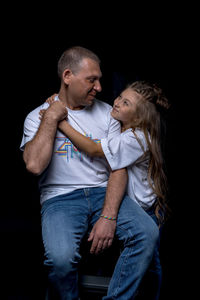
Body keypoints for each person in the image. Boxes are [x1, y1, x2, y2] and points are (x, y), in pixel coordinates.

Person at [20, 46, 159, 300]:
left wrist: (108, 215)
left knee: (147, 233)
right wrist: (52, 117)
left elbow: (118, 167)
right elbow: (35, 165)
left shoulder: (109, 114)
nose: (99, 87)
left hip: (102, 192)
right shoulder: (36, 117)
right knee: (60, 260)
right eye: (91, 80)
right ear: (67, 76)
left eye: (99, 80)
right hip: (59, 198)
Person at [43, 80, 170, 299]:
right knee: (143, 264)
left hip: (144, 209)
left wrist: (60, 122)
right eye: (120, 96)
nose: (118, 103)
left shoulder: (136, 138)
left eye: (126, 103)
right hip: (133, 204)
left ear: (139, 117)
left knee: (149, 267)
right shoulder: (123, 129)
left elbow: (93, 149)